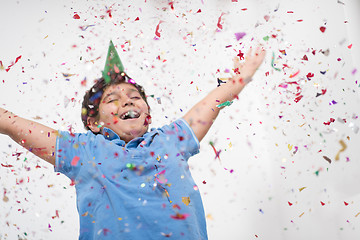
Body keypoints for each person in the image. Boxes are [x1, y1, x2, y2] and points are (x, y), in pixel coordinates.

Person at [0, 41, 265, 239]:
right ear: (94, 122)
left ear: (147, 115)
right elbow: (12, 124)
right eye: (112, 100)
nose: (127, 99)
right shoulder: (83, 149)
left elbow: (215, 101)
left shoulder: (171, 139)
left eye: (134, 97)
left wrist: (246, 71)